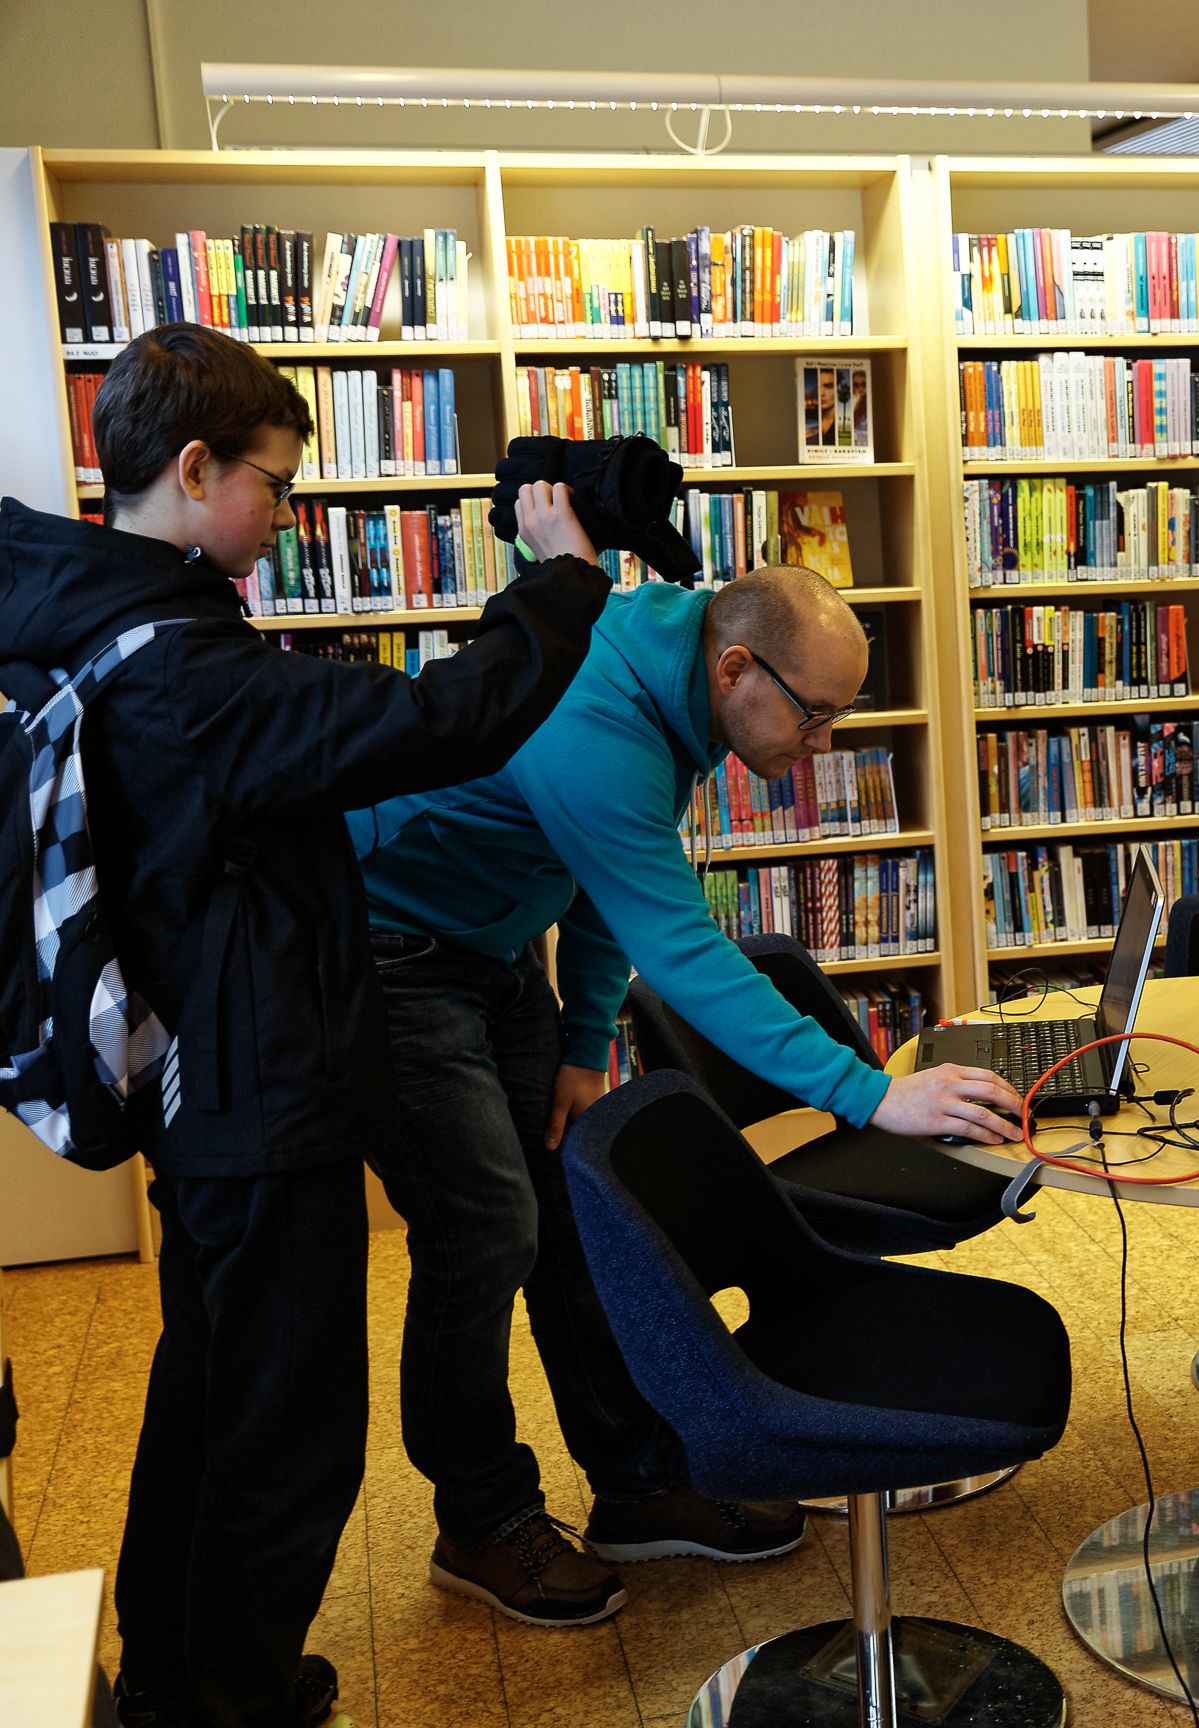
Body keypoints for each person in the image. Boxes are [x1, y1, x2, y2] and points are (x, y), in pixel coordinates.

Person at [0, 323, 611, 1728]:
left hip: (200, 1083)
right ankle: (231, 1698)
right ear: (196, 466)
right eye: (274, 485)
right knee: (286, 1429)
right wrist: (565, 575)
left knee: (210, 1394)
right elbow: (437, 720)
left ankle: (183, 1668)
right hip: (258, 1094)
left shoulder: (84, 603)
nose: (288, 515)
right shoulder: (187, 673)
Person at [345, 563, 1025, 1627]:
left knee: (565, 1213)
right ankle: (480, 1520)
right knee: (482, 1233)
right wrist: (867, 1095)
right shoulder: (601, 712)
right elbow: (679, 946)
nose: (825, 745)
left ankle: (636, 1482)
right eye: (816, 715)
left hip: (494, 943)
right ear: (738, 666)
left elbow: (618, 875)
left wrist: (580, 1039)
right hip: (386, 951)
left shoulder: (681, 686)